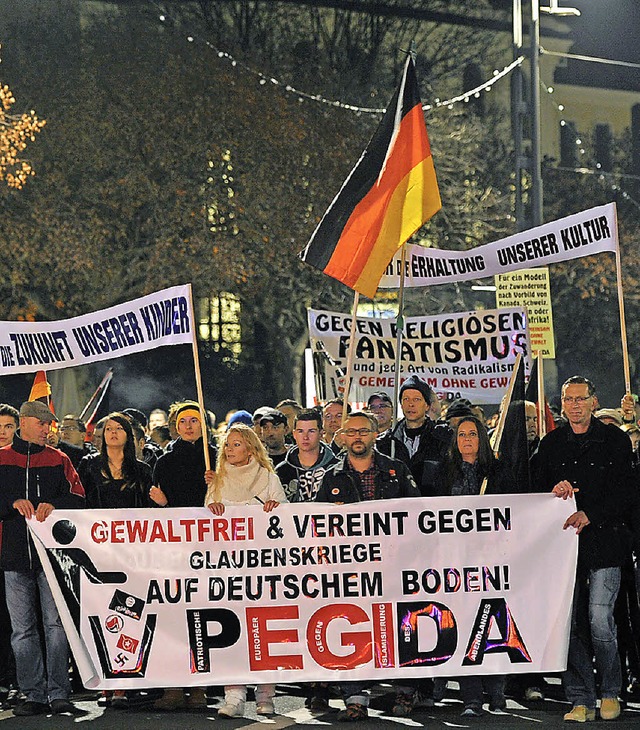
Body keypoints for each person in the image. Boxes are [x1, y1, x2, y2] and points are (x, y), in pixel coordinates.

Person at [533, 376, 635, 722]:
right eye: (568, 399)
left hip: (606, 544)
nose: (574, 405)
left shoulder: (616, 441)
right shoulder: (550, 445)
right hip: (563, 548)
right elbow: (534, 490)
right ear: (562, 404)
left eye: (581, 398)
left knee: (599, 620)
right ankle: (580, 698)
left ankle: (610, 691)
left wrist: (591, 513)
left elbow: (627, 492)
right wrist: (553, 488)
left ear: (593, 401)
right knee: (569, 622)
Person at [315, 411, 419, 721]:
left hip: (394, 564)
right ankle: (355, 697)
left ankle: (405, 689)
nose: (357, 436)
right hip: (351, 568)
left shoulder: (396, 471)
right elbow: (316, 523)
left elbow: (417, 514)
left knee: (401, 626)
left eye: (363, 431)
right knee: (355, 626)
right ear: (342, 437)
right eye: (351, 432)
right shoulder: (331, 476)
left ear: (375, 435)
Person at [0, 401, 85, 716]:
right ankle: (33, 694)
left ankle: (59, 693)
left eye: (49, 424)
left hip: (52, 558)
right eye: (42, 423)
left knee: (56, 624)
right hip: (13, 556)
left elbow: (78, 497)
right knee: (23, 629)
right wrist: (11, 503)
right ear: (24, 422)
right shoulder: (2, 458)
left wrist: (54, 504)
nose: (48, 429)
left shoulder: (59, 459)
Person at [425, 415, 512, 717]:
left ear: (482, 438)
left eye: (472, 434)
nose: (466, 439)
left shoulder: (499, 472)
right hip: (455, 564)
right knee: (465, 627)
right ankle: (471, 698)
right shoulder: (442, 474)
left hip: (492, 562)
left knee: (493, 624)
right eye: (461, 434)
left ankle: (497, 693)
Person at [204, 424, 286, 718]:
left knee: (264, 631)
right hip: (227, 570)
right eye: (227, 445)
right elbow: (205, 523)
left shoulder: (268, 478)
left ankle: (266, 695)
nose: (230, 450)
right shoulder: (217, 481)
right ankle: (234, 696)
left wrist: (278, 507)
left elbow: (287, 522)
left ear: (251, 448)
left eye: (236, 444)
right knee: (231, 631)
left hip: (262, 569)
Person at [77, 413, 152, 709]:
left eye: (119, 428)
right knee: (99, 615)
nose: (112, 433)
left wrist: (160, 503)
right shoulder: (88, 466)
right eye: (108, 428)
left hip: (132, 556)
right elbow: (79, 503)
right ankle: (104, 681)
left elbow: (152, 512)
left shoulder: (143, 470)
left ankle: (124, 682)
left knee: (129, 614)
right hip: (97, 553)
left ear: (128, 435)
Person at [389, 375, 451, 494]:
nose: (410, 404)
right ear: (401, 404)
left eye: (416, 399)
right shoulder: (386, 442)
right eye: (406, 399)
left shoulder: (442, 438)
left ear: (427, 405)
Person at [150, 401, 217, 509]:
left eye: (194, 421)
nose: (188, 426)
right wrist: (163, 503)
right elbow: (154, 507)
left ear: (203, 425)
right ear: (178, 428)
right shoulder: (165, 463)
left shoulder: (216, 458)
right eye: (182, 421)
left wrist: (219, 483)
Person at [276, 409, 337, 502]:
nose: (305, 437)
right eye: (300, 431)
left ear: (321, 434)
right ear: (294, 434)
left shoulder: (337, 468)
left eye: (311, 431)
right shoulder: (281, 471)